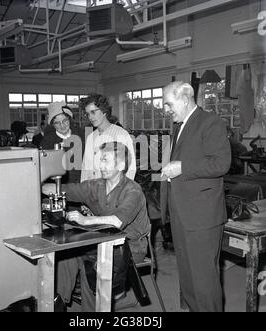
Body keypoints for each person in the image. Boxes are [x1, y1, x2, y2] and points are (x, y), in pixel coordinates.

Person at [42, 141, 150, 311]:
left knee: (91, 266)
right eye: (100, 160)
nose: (101, 165)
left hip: (130, 247)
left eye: (106, 160)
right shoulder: (96, 185)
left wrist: (85, 220)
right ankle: (58, 303)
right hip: (102, 239)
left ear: (121, 165)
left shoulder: (133, 191)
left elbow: (117, 221)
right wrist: (38, 185)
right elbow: (64, 189)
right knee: (66, 256)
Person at [161, 81, 231, 312]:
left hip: (202, 216)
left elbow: (221, 163)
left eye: (169, 104)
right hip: (182, 212)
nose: (166, 109)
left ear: (184, 98)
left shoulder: (210, 122)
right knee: (189, 277)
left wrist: (183, 167)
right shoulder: (179, 125)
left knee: (204, 280)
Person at [79, 94, 136, 182]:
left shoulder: (120, 135)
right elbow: (85, 168)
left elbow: (130, 169)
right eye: (88, 114)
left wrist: (121, 192)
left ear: (104, 111)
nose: (90, 117)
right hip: (91, 191)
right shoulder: (91, 137)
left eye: (93, 112)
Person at [41, 101, 85, 184]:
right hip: (60, 186)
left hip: (81, 184)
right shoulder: (48, 142)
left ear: (69, 119)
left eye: (65, 121)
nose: (62, 125)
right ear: (52, 124)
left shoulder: (81, 135)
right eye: (57, 123)